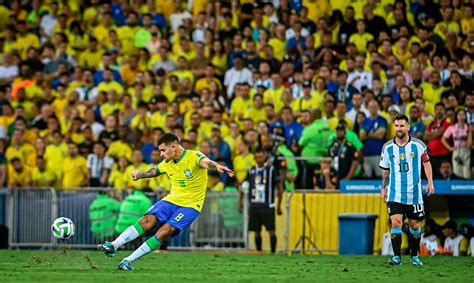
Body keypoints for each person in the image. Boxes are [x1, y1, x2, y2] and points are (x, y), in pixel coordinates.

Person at [97, 133, 233, 270]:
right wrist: (139, 175)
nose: (161, 154)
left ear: (173, 147)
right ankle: (113, 245)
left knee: (165, 231)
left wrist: (216, 166)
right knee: (146, 220)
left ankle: (128, 260)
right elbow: (156, 171)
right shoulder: (168, 162)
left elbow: (205, 162)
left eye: (163, 150)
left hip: (190, 206)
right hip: (171, 200)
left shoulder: (194, 156)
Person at [379, 114, 435, 266]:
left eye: (402, 126)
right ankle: (397, 257)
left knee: (414, 225)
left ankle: (414, 256)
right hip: (394, 193)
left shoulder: (418, 145)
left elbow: (427, 163)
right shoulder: (387, 147)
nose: (399, 129)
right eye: (396, 126)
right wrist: (383, 188)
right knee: (396, 222)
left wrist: (430, 181)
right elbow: (385, 170)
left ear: (408, 127)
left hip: (414, 194)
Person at [238, 147, 283, 253]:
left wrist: (279, 205)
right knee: (256, 231)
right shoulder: (251, 170)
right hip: (254, 206)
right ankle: (259, 251)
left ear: (265, 156)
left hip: (268, 206)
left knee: (271, 230)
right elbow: (243, 186)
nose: (259, 158)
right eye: (257, 156)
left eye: (261, 156)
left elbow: (280, 187)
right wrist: (239, 202)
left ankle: (273, 252)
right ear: (254, 157)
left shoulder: (271, 169)